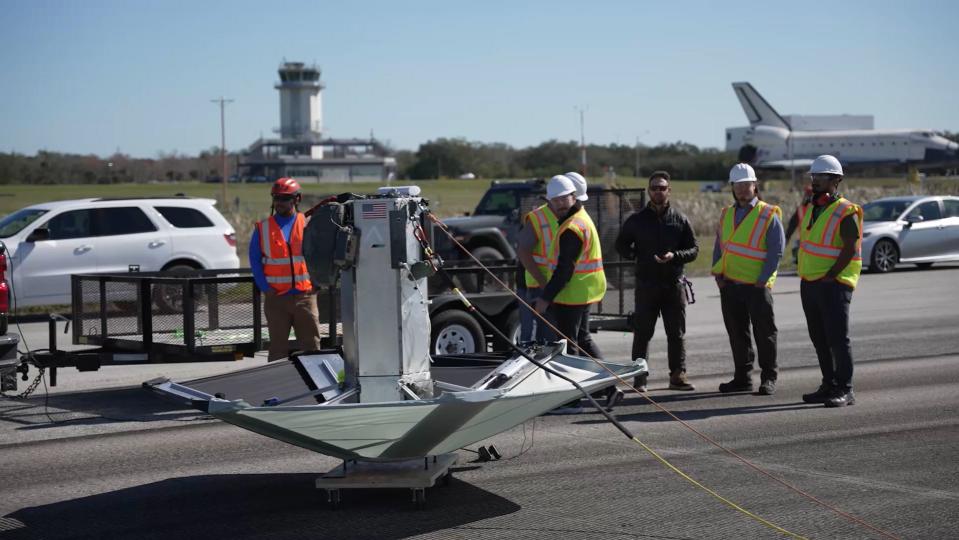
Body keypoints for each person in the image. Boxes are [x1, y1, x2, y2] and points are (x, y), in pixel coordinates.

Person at [614, 171, 698, 391]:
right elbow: (621, 245)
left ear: (669, 190)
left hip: (673, 285)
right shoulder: (636, 220)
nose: (658, 191)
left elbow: (694, 250)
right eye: (654, 188)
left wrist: (675, 256)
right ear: (648, 190)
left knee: (676, 334)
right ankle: (639, 378)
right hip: (647, 285)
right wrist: (636, 256)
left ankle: (678, 376)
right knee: (642, 333)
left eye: (662, 188)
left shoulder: (680, 219)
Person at [712, 164, 784, 395]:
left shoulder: (768, 213)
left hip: (756, 286)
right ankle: (742, 378)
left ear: (755, 186)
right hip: (731, 285)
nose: (742, 189)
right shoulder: (727, 214)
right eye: (738, 185)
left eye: (746, 184)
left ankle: (768, 378)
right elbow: (720, 246)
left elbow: (776, 252)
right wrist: (718, 275)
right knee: (737, 334)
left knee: (765, 334)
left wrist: (763, 280)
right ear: (732, 187)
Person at [797, 155, 863, 407]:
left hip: (834, 284)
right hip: (810, 282)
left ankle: (845, 389)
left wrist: (832, 275)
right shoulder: (813, 207)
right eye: (814, 176)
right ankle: (829, 384)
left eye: (822, 177)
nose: (816, 181)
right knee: (820, 338)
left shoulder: (845, 210)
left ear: (837, 180)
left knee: (837, 338)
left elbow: (850, 248)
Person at [250, 177, 322, 361]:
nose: (279, 202)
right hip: (276, 299)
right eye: (276, 198)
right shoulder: (262, 228)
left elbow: (320, 257)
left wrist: (317, 284)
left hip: (305, 297)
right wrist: (266, 289)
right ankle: (277, 388)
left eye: (284, 198)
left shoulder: (308, 224)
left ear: (297, 199)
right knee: (278, 349)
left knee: (311, 346)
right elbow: (255, 262)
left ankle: (317, 388)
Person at [533, 175, 605, 359]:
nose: (560, 204)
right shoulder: (580, 218)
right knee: (582, 339)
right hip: (582, 291)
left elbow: (564, 269)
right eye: (556, 200)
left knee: (569, 345)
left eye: (564, 198)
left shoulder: (572, 228)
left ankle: (606, 386)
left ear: (574, 196)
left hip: (571, 295)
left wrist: (545, 297)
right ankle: (608, 386)